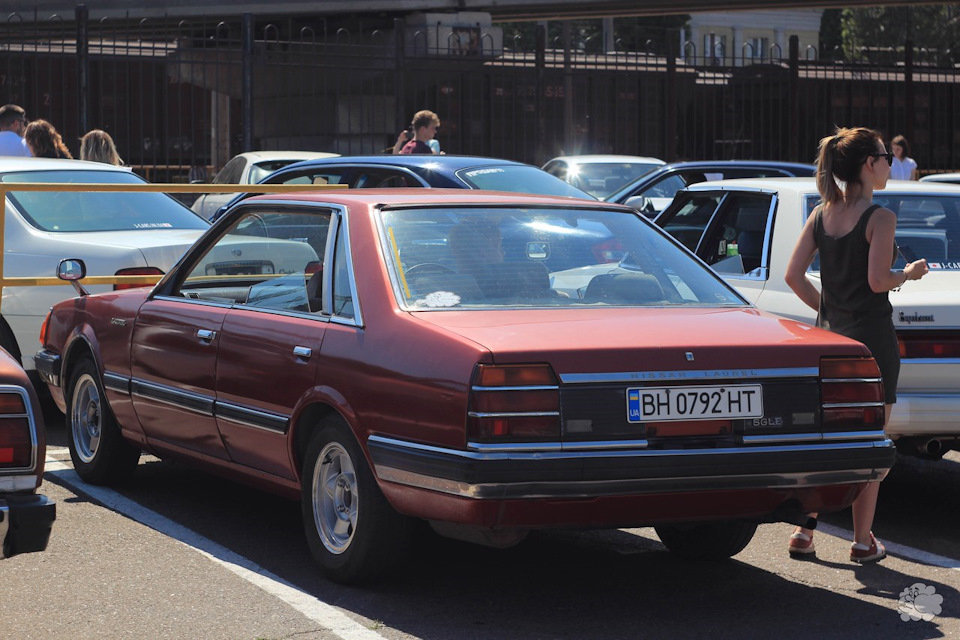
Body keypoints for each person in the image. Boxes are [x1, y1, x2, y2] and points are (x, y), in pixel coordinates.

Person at [784, 126, 929, 563]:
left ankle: (804, 533)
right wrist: (911, 274)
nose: (889, 164)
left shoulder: (822, 214)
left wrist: (829, 311)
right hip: (872, 343)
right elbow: (878, 281)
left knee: (826, 440)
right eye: (885, 157)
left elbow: (793, 276)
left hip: (829, 340)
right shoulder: (879, 217)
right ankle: (863, 542)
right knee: (869, 442)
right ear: (870, 164)